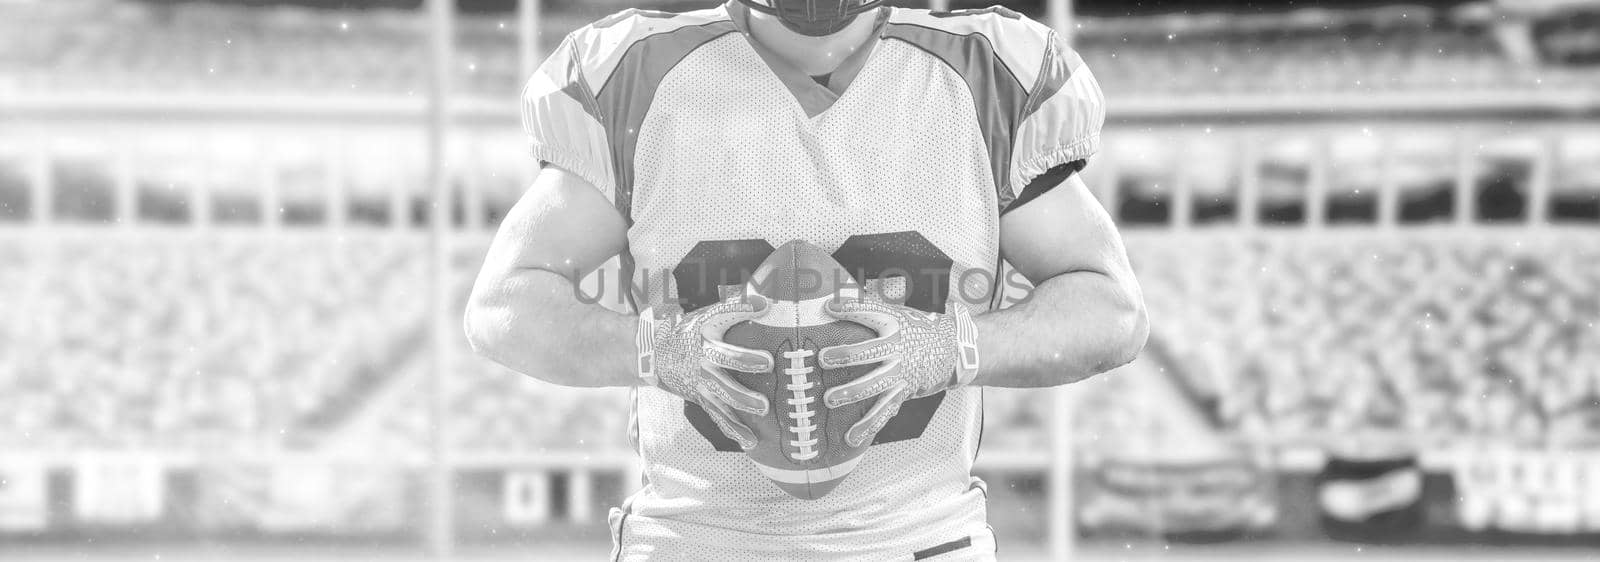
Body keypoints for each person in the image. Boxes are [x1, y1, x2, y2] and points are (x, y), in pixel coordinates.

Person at [463, 1, 1148, 559]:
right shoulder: (638, 75)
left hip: (918, 539)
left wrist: (948, 349)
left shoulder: (985, 76)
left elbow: (1110, 309)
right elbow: (503, 304)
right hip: (694, 541)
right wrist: (658, 352)